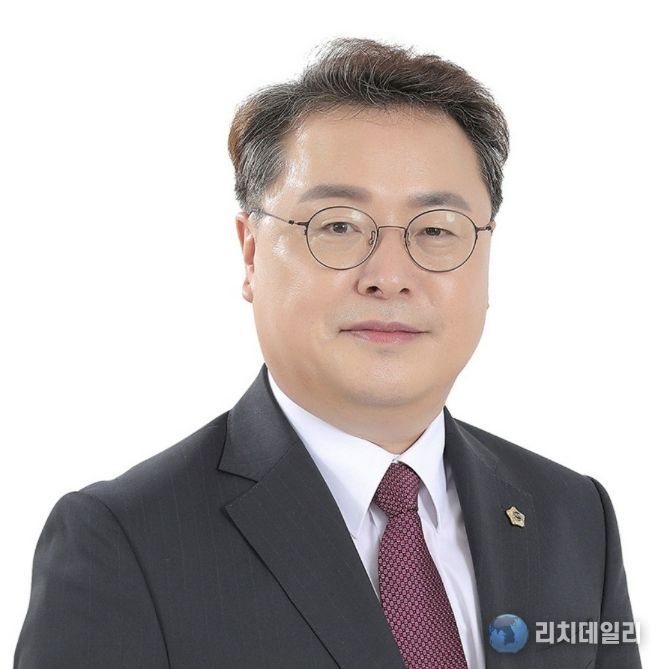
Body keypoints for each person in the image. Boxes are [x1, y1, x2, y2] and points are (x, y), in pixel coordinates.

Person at [15, 37, 641, 669]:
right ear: (251, 253)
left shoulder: (573, 517)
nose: (389, 277)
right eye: (338, 226)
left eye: (435, 230)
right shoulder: (124, 542)